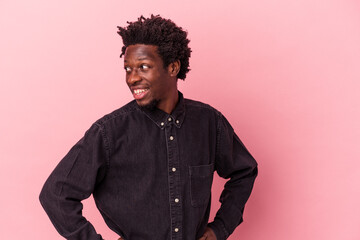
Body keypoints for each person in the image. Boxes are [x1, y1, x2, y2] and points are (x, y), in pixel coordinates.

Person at [39, 15, 258, 240]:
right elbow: (56, 194)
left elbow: (244, 171)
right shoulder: (109, 132)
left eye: (143, 67)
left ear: (172, 67)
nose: (132, 78)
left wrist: (220, 228)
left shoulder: (208, 122)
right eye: (127, 69)